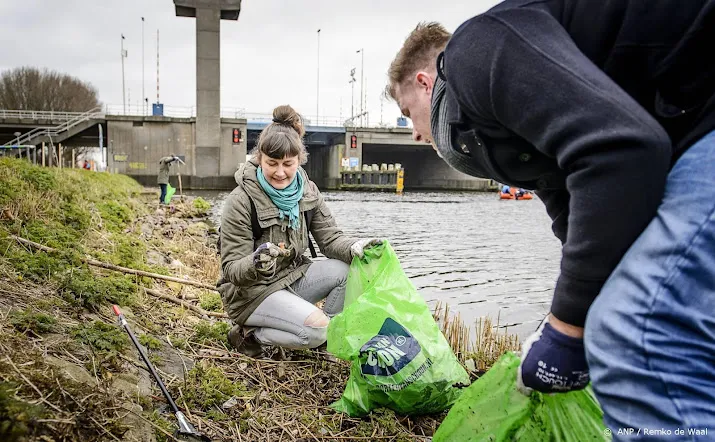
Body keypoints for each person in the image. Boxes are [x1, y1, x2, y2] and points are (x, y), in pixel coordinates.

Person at [386, 1, 715, 434]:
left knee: (633, 331)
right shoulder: (508, 129)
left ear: (426, 82)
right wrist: (560, 316)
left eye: (408, 113)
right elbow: (574, 215)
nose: (411, 132)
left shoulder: (473, 53)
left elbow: (623, 150)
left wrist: (567, 327)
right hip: (686, 132)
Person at [217, 105, 382, 357]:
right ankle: (249, 335)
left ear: (299, 160)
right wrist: (256, 263)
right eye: (272, 163)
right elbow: (231, 269)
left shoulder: (307, 190)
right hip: (252, 293)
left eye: (288, 164)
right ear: (259, 158)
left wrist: (354, 247)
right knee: (315, 330)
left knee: (347, 270)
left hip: (291, 278)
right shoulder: (241, 200)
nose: (280, 172)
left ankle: (319, 338)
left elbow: (330, 239)